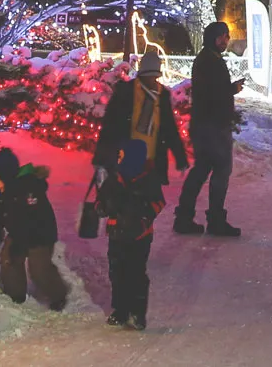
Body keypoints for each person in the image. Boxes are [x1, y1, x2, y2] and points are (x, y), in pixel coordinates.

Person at [92, 49, 188, 331]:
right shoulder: (125, 92)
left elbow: (168, 128)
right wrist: (103, 162)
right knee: (118, 265)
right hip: (124, 158)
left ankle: (136, 311)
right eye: (147, 77)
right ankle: (122, 309)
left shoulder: (162, 96)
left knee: (135, 267)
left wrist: (179, 157)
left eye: (154, 78)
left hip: (148, 165)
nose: (151, 82)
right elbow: (110, 125)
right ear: (140, 75)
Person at [0, 147, 68, 312]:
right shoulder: (2, 193)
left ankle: (58, 295)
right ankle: (16, 295)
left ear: (6, 175)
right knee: (8, 258)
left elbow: (33, 220)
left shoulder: (29, 189)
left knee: (38, 268)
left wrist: (19, 244)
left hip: (40, 234)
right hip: (18, 232)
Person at [175, 20, 245, 237]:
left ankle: (185, 217)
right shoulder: (209, 61)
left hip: (207, 125)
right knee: (220, 170)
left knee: (202, 169)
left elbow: (211, 92)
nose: (226, 40)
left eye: (226, 36)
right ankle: (214, 220)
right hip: (213, 126)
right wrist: (232, 89)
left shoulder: (209, 59)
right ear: (214, 38)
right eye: (223, 36)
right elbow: (212, 93)